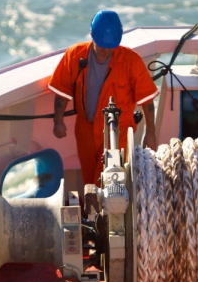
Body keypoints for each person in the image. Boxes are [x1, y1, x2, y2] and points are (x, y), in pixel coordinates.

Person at [49, 10, 158, 185]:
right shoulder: (75, 55)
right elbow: (61, 91)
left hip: (118, 132)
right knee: (90, 181)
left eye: (110, 47)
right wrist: (58, 121)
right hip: (85, 131)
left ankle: (104, 211)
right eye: (101, 46)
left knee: (109, 181)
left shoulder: (131, 61)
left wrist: (150, 133)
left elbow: (147, 100)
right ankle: (92, 211)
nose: (106, 51)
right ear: (92, 36)